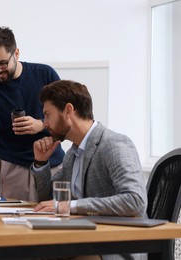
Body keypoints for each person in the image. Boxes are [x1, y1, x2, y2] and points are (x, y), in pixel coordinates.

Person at [31, 80, 147, 260]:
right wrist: (41, 163)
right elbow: (49, 199)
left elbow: (136, 201)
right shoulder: (73, 153)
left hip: (114, 248)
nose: (45, 123)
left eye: (47, 115)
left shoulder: (114, 144)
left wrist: (72, 206)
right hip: (84, 240)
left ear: (68, 110)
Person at [0, 27, 65, 202]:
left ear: (16, 53)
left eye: (2, 63)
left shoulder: (45, 74)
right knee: (12, 225)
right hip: (14, 171)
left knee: (57, 222)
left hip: (54, 165)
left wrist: (42, 124)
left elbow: (67, 117)